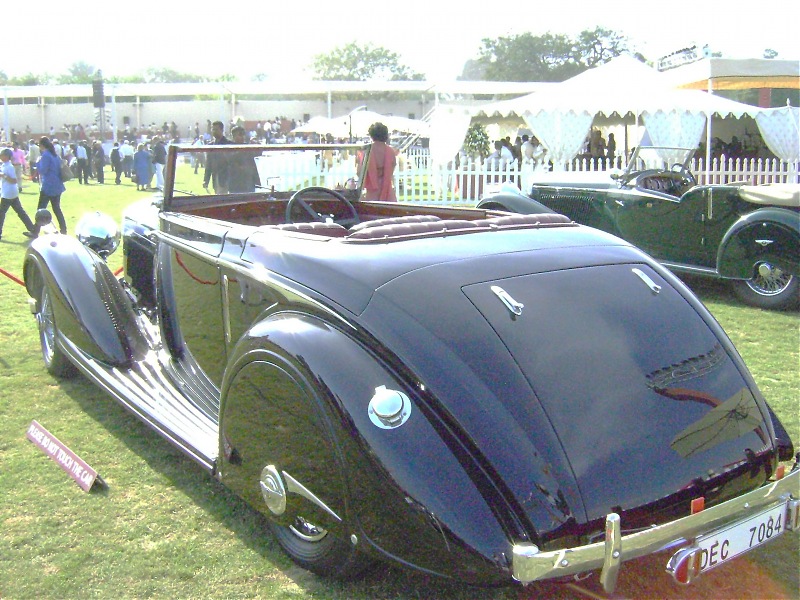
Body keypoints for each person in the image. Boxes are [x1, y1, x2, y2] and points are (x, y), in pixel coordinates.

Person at [32, 137, 67, 236]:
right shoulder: (54, 154)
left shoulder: (46, 155)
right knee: (56, 209)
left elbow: (43, 170)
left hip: (48, 185)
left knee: (40, 209)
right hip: (57, 185)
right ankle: (63, 230)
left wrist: (38, 163)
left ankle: (35, 231)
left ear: (42, 145)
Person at [0, 147, 35, 240]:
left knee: (1, 213)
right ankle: (33, 229)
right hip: (9, 193)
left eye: (2, 155)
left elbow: (14, 180)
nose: (0, 156)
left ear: (7, 156)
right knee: (20, 212)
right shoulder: (3, 165)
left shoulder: (9, 167)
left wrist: (3, 175)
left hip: (9, 193)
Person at [363, 122, 397, 201]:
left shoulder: (367, 151)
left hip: (372, 190)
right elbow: (392, 167)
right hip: (388, 189)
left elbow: (359, 172)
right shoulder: (391, 151)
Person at [227, 126, 260, 193]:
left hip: (249, 182)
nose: (242, 137)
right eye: (240, 135)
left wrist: (257, 145)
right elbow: (230, 159)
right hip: (235, 183)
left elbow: (257, 155)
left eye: (243, 134)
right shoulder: (228, 148)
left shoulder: (248, 147)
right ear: (233, 136)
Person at [203, 121, 233, 194]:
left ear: (222, 130)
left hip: (227, 179)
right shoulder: (210, 145)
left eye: (216, 129)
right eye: (213, 129)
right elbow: (208, 164)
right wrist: (206, 180)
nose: (214, 131)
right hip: (215, 178)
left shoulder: (229, 144)